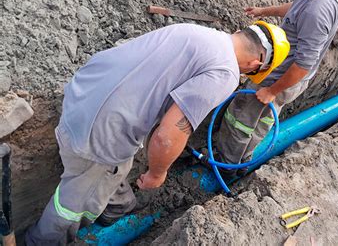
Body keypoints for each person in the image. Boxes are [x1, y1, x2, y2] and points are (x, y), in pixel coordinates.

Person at [25, 21, 289, 245]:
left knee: (114, 166)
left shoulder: (197, 33)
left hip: (84, 92)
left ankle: (117, 206)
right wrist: (157, 172)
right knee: (72, 203)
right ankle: (39, 240)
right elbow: (167, 135)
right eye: (251, 72)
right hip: (102, 131)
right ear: (255, 63)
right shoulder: (226, 71)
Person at [215, 0, 338, 175]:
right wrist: (266, 10)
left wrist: (272, 90)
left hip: (282, 77)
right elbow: (298, 9)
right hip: (285, 76)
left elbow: (304, 63)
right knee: (259, 122)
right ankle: (244, 159)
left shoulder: (319, 9)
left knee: (240, 119)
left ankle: (225, 165)